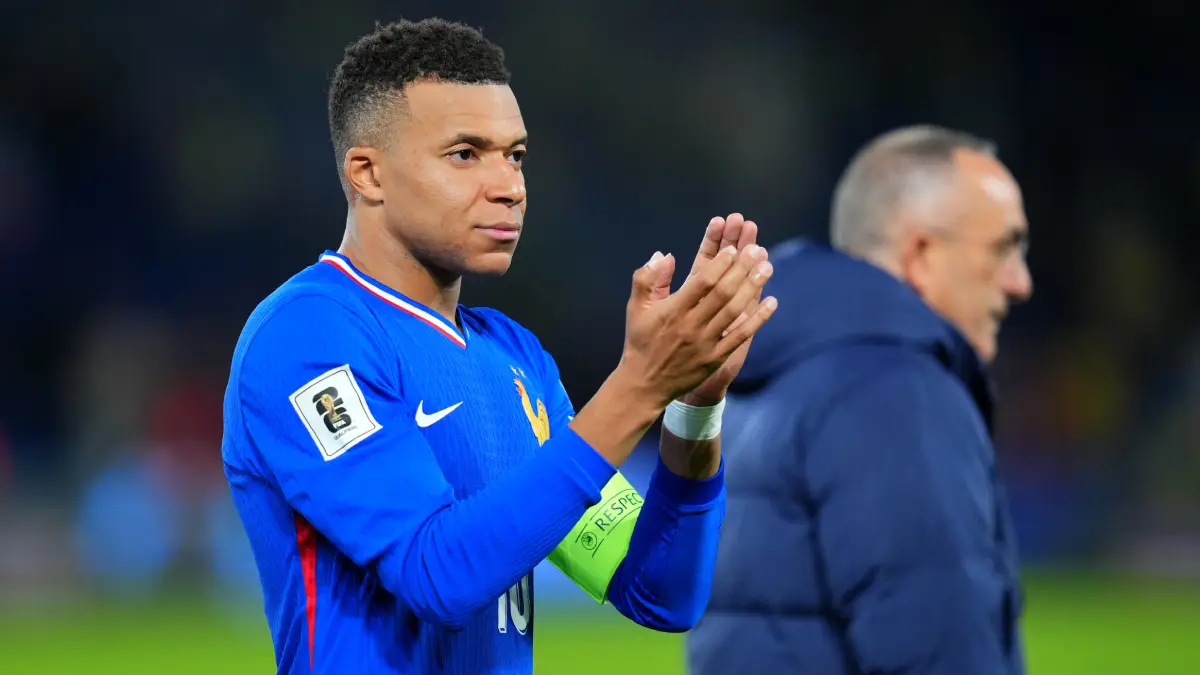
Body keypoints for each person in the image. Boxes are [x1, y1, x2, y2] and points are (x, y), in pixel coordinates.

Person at [220, 17, 778, 675]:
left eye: (515, 155)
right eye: (465, 154)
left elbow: (661, 589)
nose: (509, 186)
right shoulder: (308, 334)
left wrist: (692, 405)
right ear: (368, 173)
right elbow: (436, 575)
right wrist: (640, 385)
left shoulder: (515, 359)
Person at [686, 125, 1033, 675]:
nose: (1020, 283)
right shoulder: (895, 389)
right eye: (1004, 248)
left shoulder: (765, 377)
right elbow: (937, 646)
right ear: (922, 255)